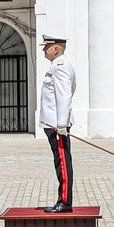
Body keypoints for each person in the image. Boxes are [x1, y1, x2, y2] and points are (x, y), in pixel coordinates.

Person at [38, 35, 75, 211]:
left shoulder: (60, 66)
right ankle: (63, 199)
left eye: (46, 47)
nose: (44, 50)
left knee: (62, 161)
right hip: (53, 123)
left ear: (56, 49)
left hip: (56, 125)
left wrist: (61, 124)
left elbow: (64, 95)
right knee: (59, 161)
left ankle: (65, 201)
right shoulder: (56, 66)